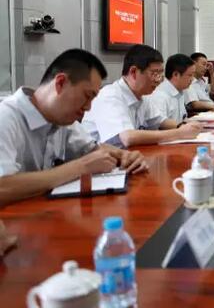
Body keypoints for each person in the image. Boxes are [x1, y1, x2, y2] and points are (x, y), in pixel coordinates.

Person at [0, 49, 147, 206]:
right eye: (87, 96)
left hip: (44, 213)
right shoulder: (6, 116)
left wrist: (125, 156)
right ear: (60, 83)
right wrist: (80, 167)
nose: (88, 107)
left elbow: (93, 149)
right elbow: (3, 188)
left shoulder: (61, 119)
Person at [82, 44, 202, 147]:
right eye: (154, 74)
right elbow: (128, 137)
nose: (159, 80)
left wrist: (183, 126)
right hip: (97, 164)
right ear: (133, 72)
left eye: (160, 74)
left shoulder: (143, 96)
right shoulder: (110, 96)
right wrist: (179, 133)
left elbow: (160, 121)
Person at [148, 54, 194, 122]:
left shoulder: (179, 91)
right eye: (190, 75)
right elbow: (161, 124)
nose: (192, 79)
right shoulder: (159, 96)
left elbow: (182, 119)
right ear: (176, 74)